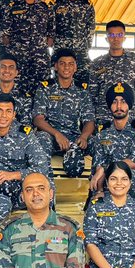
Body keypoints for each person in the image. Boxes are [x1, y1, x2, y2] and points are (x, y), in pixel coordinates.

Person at [0, 93, 51, 230]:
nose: (3, 116)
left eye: (8, 111)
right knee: (0, 206)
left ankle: (45, 233)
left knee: (47, 191)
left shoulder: (24, 135)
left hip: (18, 190)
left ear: (14, 115)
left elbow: (42, 166)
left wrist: (12, 175)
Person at [32, 49, 94, 178]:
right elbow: (38, 119)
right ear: (55, 66)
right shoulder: (45, 88)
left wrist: (84, 136)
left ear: (75, 67)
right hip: (50, 136)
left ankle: (97, 189)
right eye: (62, 63)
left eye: (71, 64)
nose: (67, 67)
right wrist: (56, 134)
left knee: (98, 142)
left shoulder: (82, 91)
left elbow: (89, 121)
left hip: (74, 138)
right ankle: (44, 182)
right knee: (40, 139)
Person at [89, 82, 135, 201]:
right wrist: (100, 190)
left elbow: (134, 162)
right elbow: (98, 163)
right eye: (114, 102)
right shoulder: (102, 131)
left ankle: (129, 209)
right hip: (108, 179)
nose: (119, 106)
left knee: (123, 177)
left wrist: (105, 169)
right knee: (98, 184)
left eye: (123, 101)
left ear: (129, 104)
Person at [0, 0, 52, 97]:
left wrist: (42, 48)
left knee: (41, 93)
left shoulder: (45, 8)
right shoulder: (12, 8)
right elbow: (5, 34)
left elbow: (51, 34)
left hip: (40, 61)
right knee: (17, 94)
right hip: (18, 60)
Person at [87, 20, 135, 124]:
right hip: (103, 119)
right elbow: (91, 95)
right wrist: (90, 121)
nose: (115, 38)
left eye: (119, 34)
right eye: (111, 34)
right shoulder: (97, 63)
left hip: (129, 119)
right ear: (106, 38)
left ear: (124, 37)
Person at [51, 0, 95, 84]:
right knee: (59, 87)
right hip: (60, 55)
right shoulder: (55, 4)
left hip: (81, 56)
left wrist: (85, 47)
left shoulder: (87, 4)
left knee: (84, 87)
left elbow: (90, 29)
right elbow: (49, 29)